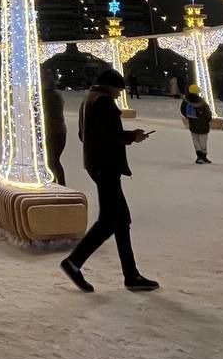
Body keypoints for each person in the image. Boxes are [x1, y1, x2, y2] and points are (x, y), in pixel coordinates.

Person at [60, 68, 158, 293]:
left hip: (97, 165)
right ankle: (75, 262)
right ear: (111, 86)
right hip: (106, 165)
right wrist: (133, 136)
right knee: (111, 220)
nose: (118, 95)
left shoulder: (89, 100)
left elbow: (84, 135)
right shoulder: (103, 102)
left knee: (120, 220)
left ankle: (130, 274)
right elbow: (109, 135)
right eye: (118, 90)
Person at [42, 69, 68, 185]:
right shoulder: (57, 95)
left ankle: (55, 182)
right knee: (54, 159)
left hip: (51, 131)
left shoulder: (46, 97)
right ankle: (58, 182)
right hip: (60, 131)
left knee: (52, 159)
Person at [180, 84, 213, 163]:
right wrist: (209, 119)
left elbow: (182, 110)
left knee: (196, 140)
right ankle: (203, 156)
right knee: (203, 141)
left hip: (193, 123)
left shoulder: (186, 101)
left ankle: (199, 156)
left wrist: (189, 117)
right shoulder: (201, 101)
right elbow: (207, 112)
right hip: (203, 124)